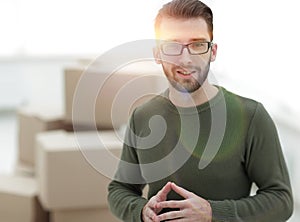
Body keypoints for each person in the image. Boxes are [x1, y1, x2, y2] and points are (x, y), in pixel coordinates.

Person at [107, 0, 293, 221]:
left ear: (212, 51)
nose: (185, 59)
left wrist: (213, 213)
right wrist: (141, 211)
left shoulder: (251, 116)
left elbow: (281, 200)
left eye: (197, 45)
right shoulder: (142, 116)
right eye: (172, 46)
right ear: (157, 53)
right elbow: (119, 189)